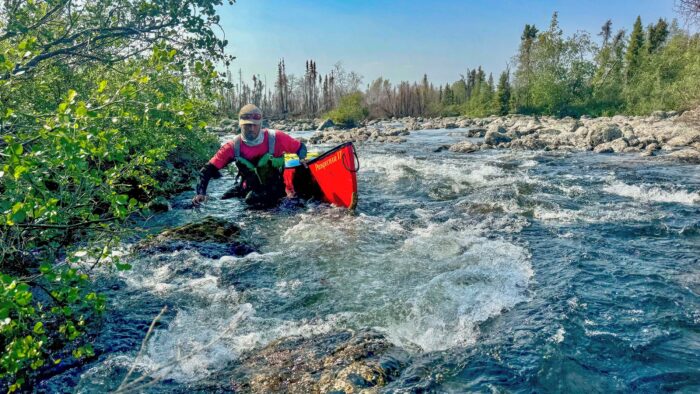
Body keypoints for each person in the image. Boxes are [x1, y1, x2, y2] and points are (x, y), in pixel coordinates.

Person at [192, 104, 307, 208]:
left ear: (260, 124)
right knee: (222, 199)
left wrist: (302, 159)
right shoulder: (232, 146)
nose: (251, 128)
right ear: (240, 125)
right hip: (247, 187)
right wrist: (201, 193)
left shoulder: (277, 137)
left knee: (253, 200)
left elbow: (301, 148)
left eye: (255, 125)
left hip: (275, 188)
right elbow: (207, 170)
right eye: (247, 125)